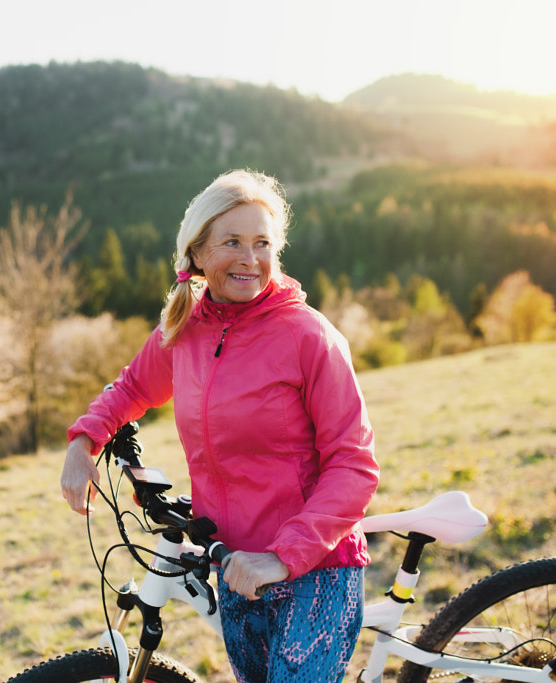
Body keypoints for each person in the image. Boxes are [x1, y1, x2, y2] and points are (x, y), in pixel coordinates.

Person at [60, 169, 379, 683]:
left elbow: (354, 466)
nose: (250, 259)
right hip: (231, 565)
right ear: (198, 253)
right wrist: (83, 442)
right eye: (232, 241)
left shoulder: (309, 336)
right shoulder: (185, 330)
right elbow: (131, 389)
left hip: (315, 569)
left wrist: (282, 557)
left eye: (262, 243)